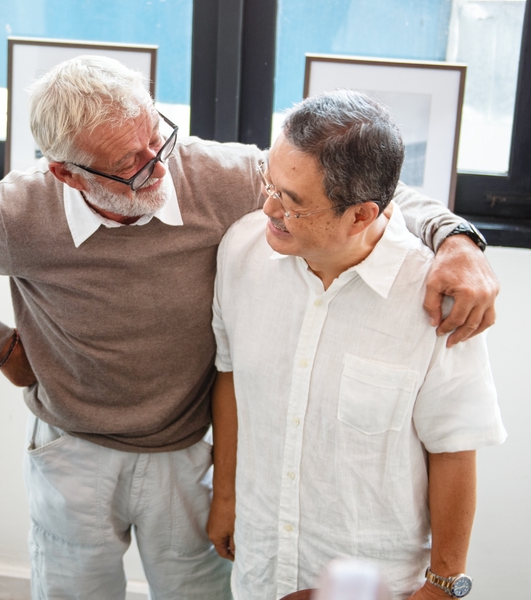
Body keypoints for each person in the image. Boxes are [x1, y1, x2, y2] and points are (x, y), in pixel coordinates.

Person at [0, 55, 499, 600]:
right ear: (68, 175)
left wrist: (457, 239)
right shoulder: (16, 212)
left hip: (186, 449)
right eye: (129, 165)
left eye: (156, 137)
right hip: (73, 449)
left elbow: (362, 189)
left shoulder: (218, 176)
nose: (158, 167)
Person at [207, 90, 505, 599]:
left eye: (293, 203)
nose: (268, 208)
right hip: (260, 562)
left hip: (375, 581)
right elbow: (231, 377)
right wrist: (225, 497)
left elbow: (454, 449)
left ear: (362, 215)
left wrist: (443, 584)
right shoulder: (241, 250)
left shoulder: (436, 299)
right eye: (269, 184)